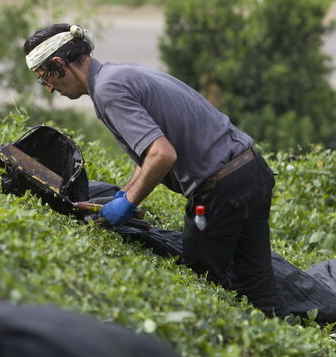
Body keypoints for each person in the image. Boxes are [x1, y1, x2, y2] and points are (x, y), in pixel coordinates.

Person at [23, 23, 286, 317]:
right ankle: (282, 341)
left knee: (203, 283)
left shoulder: (109, 91)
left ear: (59, 64)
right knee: (256, 281)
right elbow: (151, 155)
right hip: (250, 171)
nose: (48, 88)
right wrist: (123, 194)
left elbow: (162, 154)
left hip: (222, 190)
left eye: (44, 77)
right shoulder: (119, 74)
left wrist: (128, 202)